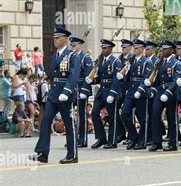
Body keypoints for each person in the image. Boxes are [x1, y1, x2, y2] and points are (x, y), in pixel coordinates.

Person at [29, 27, 80, 164]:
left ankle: (72, 155)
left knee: (69, 125)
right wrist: (44, 77)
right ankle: (42, 153)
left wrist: (67, 91)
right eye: (54, 38)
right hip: (53, 94)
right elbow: (54, 73)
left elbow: (74, 75)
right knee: (45, 121)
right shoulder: (55, 55)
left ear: (64, 39)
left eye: (57, 38)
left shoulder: (72, 55)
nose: (55, 40)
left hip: (64, 95)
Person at [144, 40, 181, 152]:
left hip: (171, 92)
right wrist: (150, 83)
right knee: (155, 114)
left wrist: (167, 93)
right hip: (160, 90)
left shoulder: (177, 63)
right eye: (161, 49)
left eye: (165, 49)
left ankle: (173, 143)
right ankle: (157, 142)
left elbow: (176, 80)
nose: (162, 51)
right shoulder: (160, 62)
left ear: (171, 50)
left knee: (172, 118)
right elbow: (158, 79)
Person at [118, 39, 154, 150]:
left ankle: (142, 141)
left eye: (137, 48)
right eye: (134, 47)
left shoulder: (147, 62)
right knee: (124, 113)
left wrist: (140, 89)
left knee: (142, 117)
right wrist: (122, 78)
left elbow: (146, 77)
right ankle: (133, 137)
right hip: (131, 91)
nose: (135, 49)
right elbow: (129, 77)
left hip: (141, 92)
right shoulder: (131, 60)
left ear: (142, 49)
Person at [87, 39, 123, 149]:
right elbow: (101, 78)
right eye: (102, 48)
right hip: (102, 91)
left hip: (111, 90)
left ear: (111, 49)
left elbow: (116, 79)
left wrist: (112, 93)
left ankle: (112, 141)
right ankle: (101, 138)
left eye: (105, 48)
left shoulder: (116, 61)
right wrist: (91, 81)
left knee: (112, 117)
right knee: (94, 113)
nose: (103, 50)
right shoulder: (102, 61)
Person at [69, 36, 93, 147]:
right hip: (72, 87)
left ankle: (83, 139)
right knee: (70, 114)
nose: (73, 47)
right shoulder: (70, 56)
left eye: (75, 45)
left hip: (81, 87)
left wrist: (84, 90)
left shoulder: (85, 58)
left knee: (82, 114)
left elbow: (88, 75)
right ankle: (73, 138)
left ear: (80, 45)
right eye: (72, 45)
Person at [116, 39, 133, 144]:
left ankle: (131, 136)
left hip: (128, 89)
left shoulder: (132, 59)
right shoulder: (120, 58)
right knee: (115, 111)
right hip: (119, 89)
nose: (123, 49)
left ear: (130, 48)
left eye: (125, 47)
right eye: (122, 47)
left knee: (128, 113)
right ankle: (121, 133)